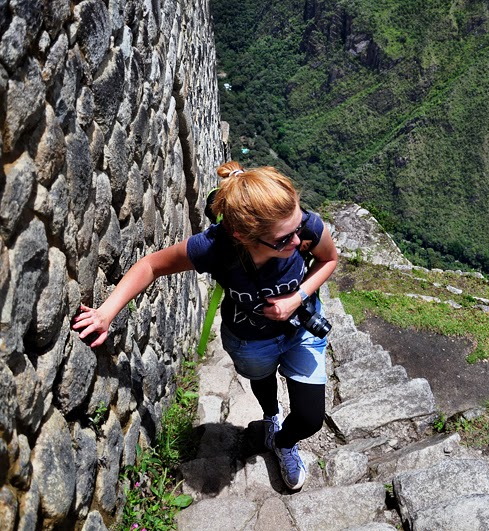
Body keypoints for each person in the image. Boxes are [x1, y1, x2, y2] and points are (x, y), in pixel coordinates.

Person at [72, 161, 338, 490]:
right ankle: (271, 416)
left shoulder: (305, 227)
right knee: (262, 378)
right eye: (285, 239)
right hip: (249, 339)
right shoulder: (216, 247)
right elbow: (151, 265)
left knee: (311, 418)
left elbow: (329, 259)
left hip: (300, 331)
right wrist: (105, 312)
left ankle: (284, 441)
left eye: (299, 229)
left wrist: (297, 297)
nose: (299, 242)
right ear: (244, 236)